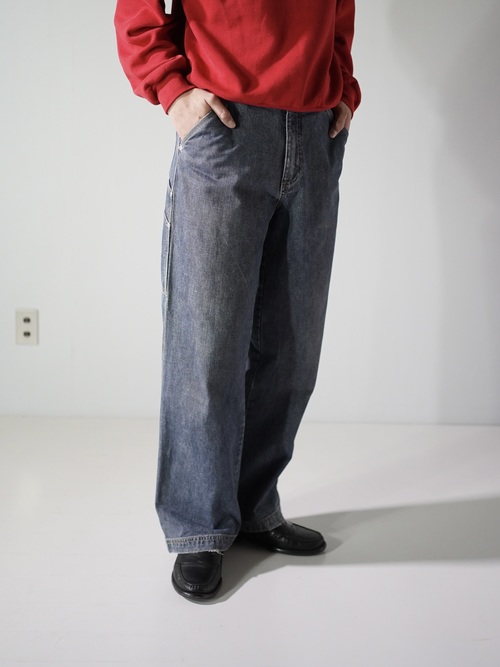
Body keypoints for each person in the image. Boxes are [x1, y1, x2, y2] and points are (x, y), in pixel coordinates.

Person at [114, 0, 361, 602]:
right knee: (208, 344)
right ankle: (199, 525)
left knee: (293, 347)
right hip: (226, 127)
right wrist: (174, 92)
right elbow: (138, 12)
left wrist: (343, 90)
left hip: (315, 131)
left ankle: (253, 506)